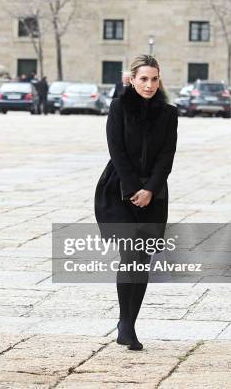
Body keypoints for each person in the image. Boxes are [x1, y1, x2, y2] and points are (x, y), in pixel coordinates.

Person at [94, 54, 178, 351]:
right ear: (132, 80)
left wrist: (151, 190)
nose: (149, 84)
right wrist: (133, 189)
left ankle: (128, 323)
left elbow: (167, 157)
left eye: (154, 79)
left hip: (154, 195)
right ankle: (125, 324)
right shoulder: (118, 107)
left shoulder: (169, 114)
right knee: (130, 254)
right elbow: (116, 149)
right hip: (119, 189)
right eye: (144, 79)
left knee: (142, 261)